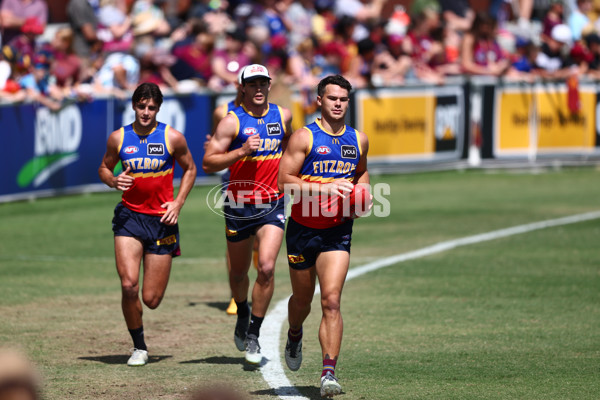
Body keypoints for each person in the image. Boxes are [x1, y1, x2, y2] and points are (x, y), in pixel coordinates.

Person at [277, 74, 371, 397]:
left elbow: (361, 172)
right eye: (332, 98)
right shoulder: (304, 138)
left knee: (331, 300)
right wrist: (325, 187)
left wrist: (364, 194)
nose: (338, 104)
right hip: (303, 230)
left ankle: (328, 373)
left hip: (337, 231)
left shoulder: (358, 140)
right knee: (302, 301)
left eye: (343, 99)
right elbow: (284, 181)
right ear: (319, 100)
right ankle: (294, 332)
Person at [98, 82, 197, 366]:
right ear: (133, 105)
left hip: (162, 221)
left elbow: (190, 168)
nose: (145, 112)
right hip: (129, 217)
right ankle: (138, 346)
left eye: (151, 107)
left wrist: (178, 203)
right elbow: (104, 167)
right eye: (141, 106)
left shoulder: (172, 137)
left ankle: (142, 334)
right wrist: (114, 180)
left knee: (151, 299)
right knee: (129, 285)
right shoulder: (118, 138)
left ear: (158, 108)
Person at [202, 64, 292, 364]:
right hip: (239, 204)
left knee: (266, 267)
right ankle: (242, 311)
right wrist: (240, 152)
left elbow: (292, 148)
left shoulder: (283, 116)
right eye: (251, 84)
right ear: (242, 88)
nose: (257, 89)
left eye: (262, 83)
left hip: (273, 203)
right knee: (239, 272)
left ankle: (254, 333)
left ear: (269, 86)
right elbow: (208, 163)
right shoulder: (231, 122)